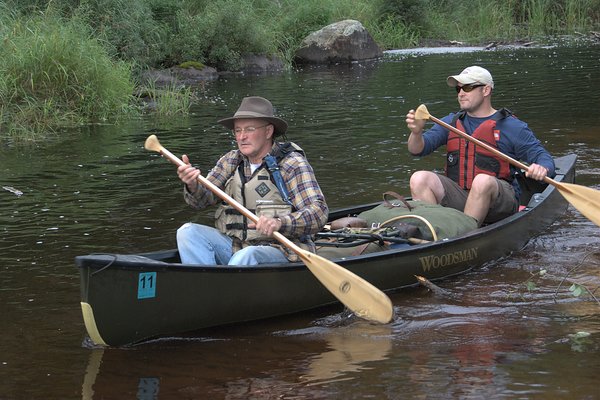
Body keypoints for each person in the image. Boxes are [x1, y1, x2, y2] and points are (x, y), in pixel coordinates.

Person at [176, 96, 329, 265]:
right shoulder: (231, 161)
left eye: (249, 129)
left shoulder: (292, 164)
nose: (241, 137)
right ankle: (207, 284)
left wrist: (280, 223)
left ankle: (223, 286)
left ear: (268, 131)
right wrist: (192, 184)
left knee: (246, 256)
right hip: (237, 247)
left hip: (283, 250)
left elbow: (318, 213)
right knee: (188, 232)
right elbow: (201, 201)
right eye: (238, 130)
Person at [405, 65, 555, 226]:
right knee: (419, 178)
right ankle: (437, 232)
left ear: (486, 90)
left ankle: (465, 237)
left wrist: (541, 168)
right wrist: (416, 133)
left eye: (468, 87)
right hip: (462, 198)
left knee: (482, 181)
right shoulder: (451, 122)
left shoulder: (511, 126)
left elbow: (542, 157)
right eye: (458, 89)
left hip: (499, 203)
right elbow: (417, 149)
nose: (461, 93)